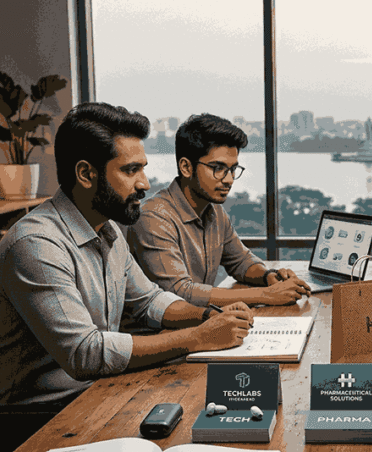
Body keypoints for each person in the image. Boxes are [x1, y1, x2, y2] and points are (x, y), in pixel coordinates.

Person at [0, 102, 255, 452]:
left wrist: (206, 316)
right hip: (35, 417)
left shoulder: (107, 228)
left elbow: (150, 300)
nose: (144, 183)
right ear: (86, 173)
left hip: (93, 389)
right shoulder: (36, 244)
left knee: (214, 412)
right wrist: (198, 338)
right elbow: (86, 353)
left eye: (143, 168)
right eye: (130, 170)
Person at [127, 113, 311, 307]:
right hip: (156, 333)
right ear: (186, 167)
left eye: (233, 169)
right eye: (218, 168)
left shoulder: (213, 210)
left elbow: (241, 261)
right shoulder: (154, 218)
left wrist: (269, 276)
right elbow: (179, 292)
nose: (229, 179)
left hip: (199, 323)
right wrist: (267, 295)